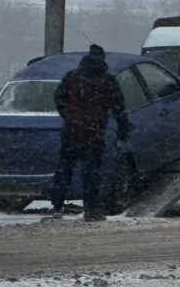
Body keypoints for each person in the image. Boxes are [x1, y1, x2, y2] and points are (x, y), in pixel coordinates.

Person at [51, 45, 130, 222]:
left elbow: (59, 98)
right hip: (94, 133)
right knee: (91, 173)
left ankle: (57, 206)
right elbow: (119, 107)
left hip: (71, 131)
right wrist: (123, 129)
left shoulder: (72, 77)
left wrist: (68, 115)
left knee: (64, 170)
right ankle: (91, 209)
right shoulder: (107, 80)